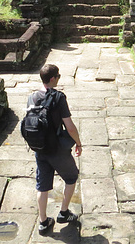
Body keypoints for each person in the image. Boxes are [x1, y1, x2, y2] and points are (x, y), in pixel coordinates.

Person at [28, 63, 82, 235]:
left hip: (40, 148)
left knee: (42, 186)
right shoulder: (59, 98)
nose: (59, 79)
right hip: (57, 149)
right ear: (52, 79)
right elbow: (70, 127)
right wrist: (78, 143)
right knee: (72, 177)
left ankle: (43, 222)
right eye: (58, 76)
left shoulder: (32, 97)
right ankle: (64, 213)